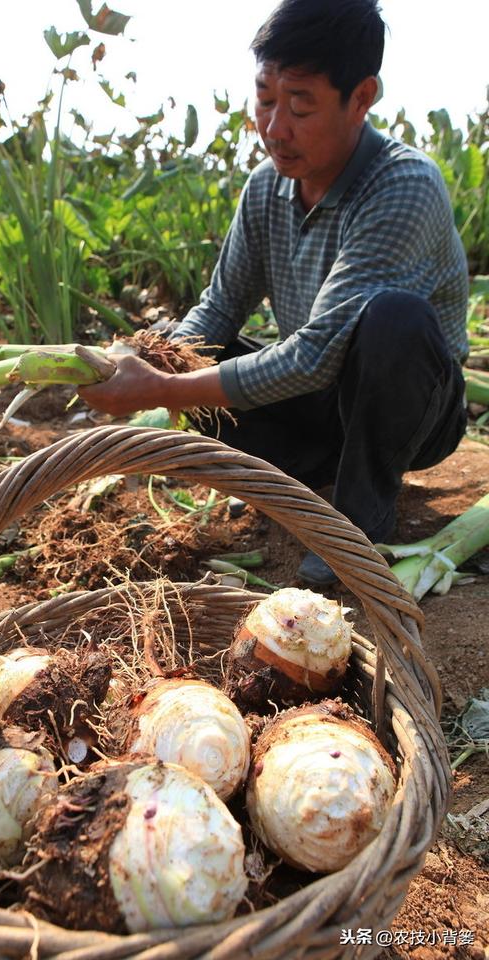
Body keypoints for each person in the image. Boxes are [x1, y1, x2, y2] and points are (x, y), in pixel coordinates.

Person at [79, 0, 469, 587]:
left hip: (411, 410)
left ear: (361, 98)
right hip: (316, 405)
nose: (274, 128)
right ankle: (316, 472)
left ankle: (362, 516)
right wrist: (151, 357)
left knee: (394, 319)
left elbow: (315, 354)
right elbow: (217, 310)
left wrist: (163, 389)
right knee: (188, 350)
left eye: (301, 106)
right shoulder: (266, 189)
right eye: (265, 100)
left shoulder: (403, 186)